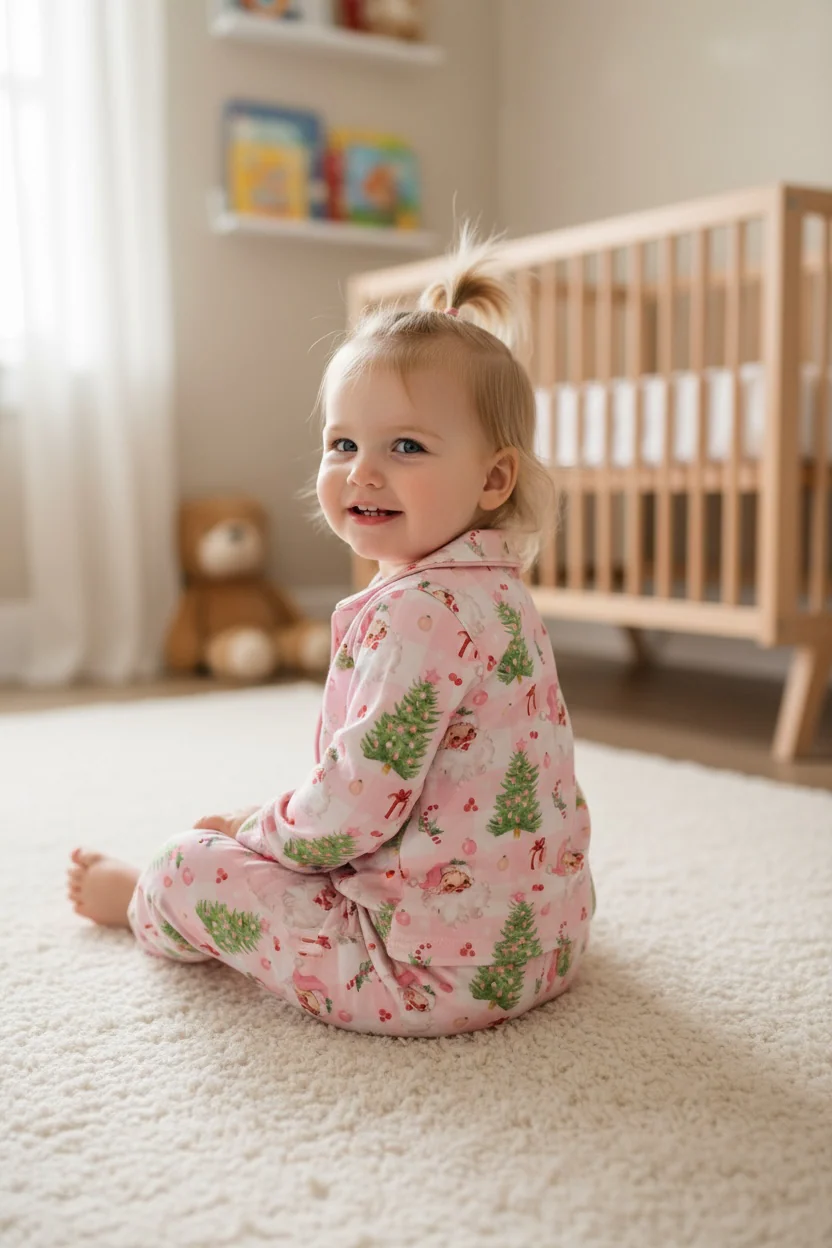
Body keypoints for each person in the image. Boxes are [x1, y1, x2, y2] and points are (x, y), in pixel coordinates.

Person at [67, 230, 595, 1037]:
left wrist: (249, 831)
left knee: (187, 864)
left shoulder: (417, 611)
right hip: (548, 945)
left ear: (494, 478)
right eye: (343, 443)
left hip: (423, 974)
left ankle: (142, 900)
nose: (361, 471)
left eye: (406, 447)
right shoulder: (498, 589)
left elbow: (353, 809)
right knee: (291, 835)